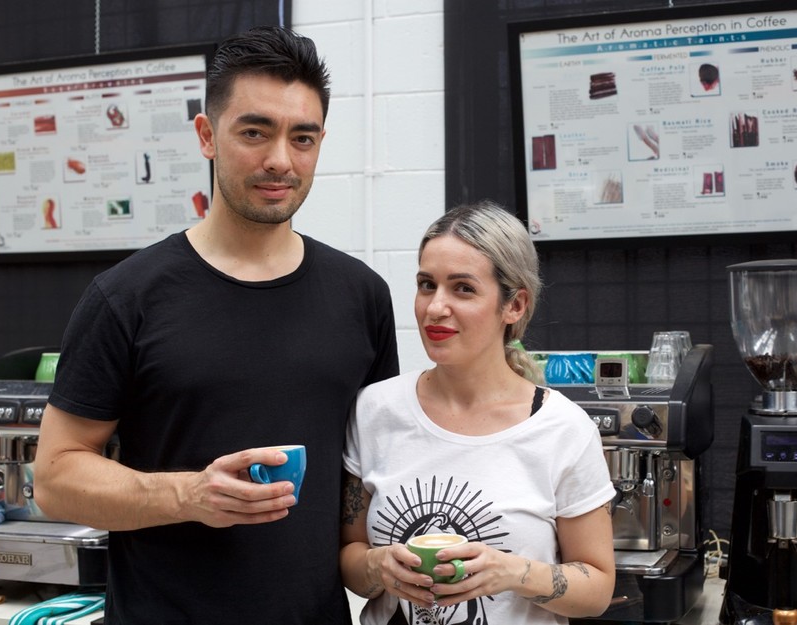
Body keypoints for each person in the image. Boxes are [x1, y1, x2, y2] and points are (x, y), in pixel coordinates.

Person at [33, 25, 399, 625]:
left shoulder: (361, 295)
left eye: (302, 138)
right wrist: (189, 495)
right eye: (254, 132)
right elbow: (54, 477)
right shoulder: (126, 296)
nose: (280, 159)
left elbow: (367, 470)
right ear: (207, 135)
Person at [340, 201, 616, 625]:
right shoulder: (375, 410)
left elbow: (596, 589)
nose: (435, 307)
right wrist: (379, 568)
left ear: (515, 305)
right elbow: (352, 561)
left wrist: (511, 572)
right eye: (426, 284)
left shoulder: (563, 429)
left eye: (463, 288)